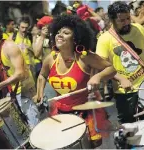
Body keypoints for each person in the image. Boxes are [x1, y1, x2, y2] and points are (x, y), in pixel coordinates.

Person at [33, 14, 116, 147]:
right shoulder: (50, 59)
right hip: (60, 114)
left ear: (75, 38)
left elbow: (111, 69)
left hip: (84, 114)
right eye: (58, 32)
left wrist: (97, 77)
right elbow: (42, 76)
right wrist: (39, 93)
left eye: (66, 33)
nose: (60, 35)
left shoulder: (85, 57)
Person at [96, 1, 144, 124]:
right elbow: (101, 66)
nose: (127, 23)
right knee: (128, 126)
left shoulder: (139, 29)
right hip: (124, 92)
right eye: (122, 20)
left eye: (128, 18)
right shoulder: (104, 39)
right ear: (112, 20)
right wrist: (120, 78)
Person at [0, 19, 39, 128]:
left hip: (23, 91)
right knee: (20, 128)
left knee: (34, 128)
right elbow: (4, 64)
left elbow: (20, 74)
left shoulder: (9, 47)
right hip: (13, 91)